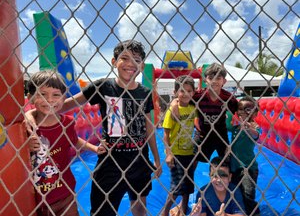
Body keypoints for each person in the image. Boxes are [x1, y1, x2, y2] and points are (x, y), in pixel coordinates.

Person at [26, 40, 162, 216]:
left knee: (139, 205)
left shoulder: (144, 93)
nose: (130, 64)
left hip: (139, 160)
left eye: (136, 59)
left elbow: (148, 127)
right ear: (114, 62)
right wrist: (29, 114)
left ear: (142, 65)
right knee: (102, 209)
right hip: (110, 161)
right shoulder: (103, 86)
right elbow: (65, 104)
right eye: (124, 58)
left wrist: (156, 159)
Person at [26, 70, 106, 216]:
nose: (49, 100)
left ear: (63, 99)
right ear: (31, 98)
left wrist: (94, 148)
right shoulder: (27, 128)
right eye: (42, 94)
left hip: (65, 194)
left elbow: (74, 140)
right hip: (36, 199)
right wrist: (26, 148)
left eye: (56, 95)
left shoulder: (67, 123)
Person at [172, 62, 238, 163]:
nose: (214, 81)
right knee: (192, 161)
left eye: (218, 78)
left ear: (224, 81)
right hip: (202, 134)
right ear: (205, 80)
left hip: (221, 134)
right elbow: (181, 98)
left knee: (228, 161)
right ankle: (189, 177)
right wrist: (174, 104)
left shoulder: (228, 98)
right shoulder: (198, 96)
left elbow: (239, 110)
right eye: (211, 78)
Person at [161, 75, 197, 216]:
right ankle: (164, 211)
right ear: (176, 92)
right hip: (176, 153)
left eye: (189, 90)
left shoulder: (193, 108)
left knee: (188, 185)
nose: (185, 94)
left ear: (193, 92)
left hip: (189, 152)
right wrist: (169, 153)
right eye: (182, 91)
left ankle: (182, 210)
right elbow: (165, 134)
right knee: (176, 186)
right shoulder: (172, 110)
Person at [227, 96, 260, 216]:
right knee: (236, 191)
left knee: (248, 193)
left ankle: (252, 212)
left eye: (248, 109)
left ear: (255, 113)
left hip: (249, 167)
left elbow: (256, 135)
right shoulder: (235, 127)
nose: (243, 112)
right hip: (235, 166)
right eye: (240, 109)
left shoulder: (254, 126)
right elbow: (226, 122)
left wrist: (248, 128)